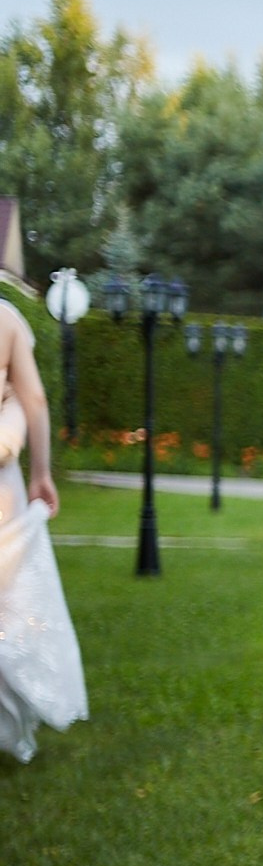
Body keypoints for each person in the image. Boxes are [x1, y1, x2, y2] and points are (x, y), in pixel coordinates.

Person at [0, 294, 85, 763]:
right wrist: (41, 474)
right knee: (8, 604)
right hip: (3, 488)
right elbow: (34, 399)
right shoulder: (6, 320)